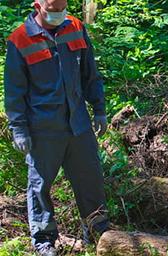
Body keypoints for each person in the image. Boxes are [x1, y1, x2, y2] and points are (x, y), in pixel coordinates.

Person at [4, 0, 110, 255]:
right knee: (40, 187)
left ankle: (97, 232)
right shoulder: (20, 40)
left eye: (62, 9)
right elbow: (14, 91)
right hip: (43, 128)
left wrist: (99, 109)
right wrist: (18, 128)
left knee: (91, 181)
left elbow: (90, 73)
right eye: (52, 11)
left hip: (79, 125)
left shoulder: (74, 26)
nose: (58, 15)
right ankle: (44, 241)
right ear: (37, 6)